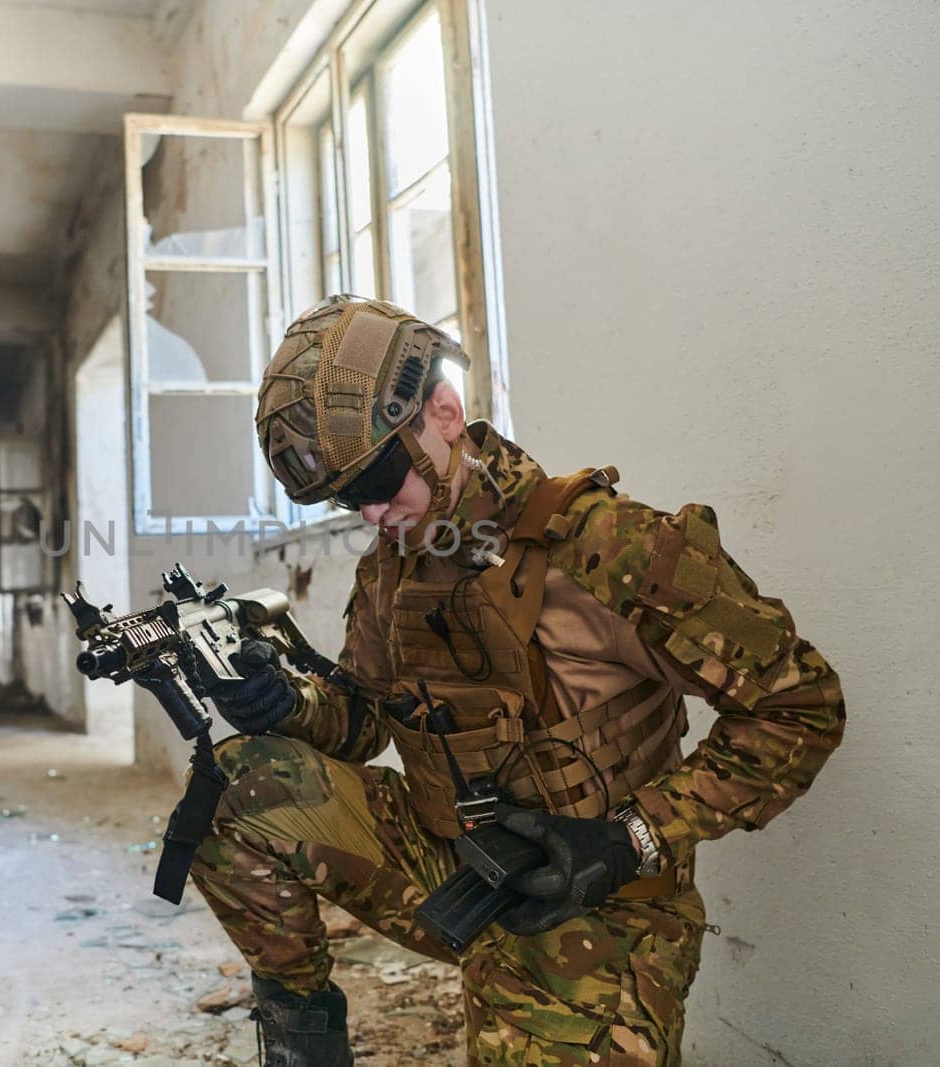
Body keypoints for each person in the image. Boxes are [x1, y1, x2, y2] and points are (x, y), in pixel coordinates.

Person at [192, 295, 845, 1066]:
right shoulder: (392, 568)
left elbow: (800, 704)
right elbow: (363, 722)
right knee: (235, 789)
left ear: (443, 411)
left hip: (594, 903)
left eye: (380, 476)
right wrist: (282, 702)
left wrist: (631, 838)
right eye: (347, 498)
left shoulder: (606, 543)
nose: (371, 511)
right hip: (453, 865)